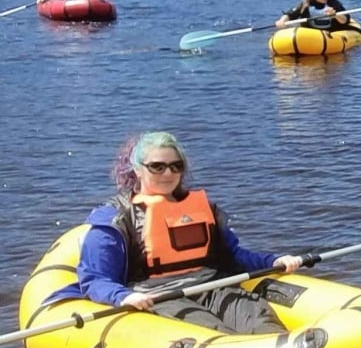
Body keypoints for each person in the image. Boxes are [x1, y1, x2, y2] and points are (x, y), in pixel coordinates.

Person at [52, 132, 305, 335]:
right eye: (157, 167)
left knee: (262, 324)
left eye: (176, 166)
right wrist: (124, 296)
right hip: (159, 296)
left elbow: (234, 255)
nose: (168, 174)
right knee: (214, 332)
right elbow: (94, 279)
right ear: (137, 169)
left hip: (214, 287)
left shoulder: (203, 209)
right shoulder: (116, 220)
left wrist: (273, 261)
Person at [275, 0, 350, 31]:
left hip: (331, 31)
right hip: (310, 32)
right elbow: (290, 14)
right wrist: (282, 21)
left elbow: (345, 20)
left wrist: (335, 15)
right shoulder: (306, 3)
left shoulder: (332, 2)